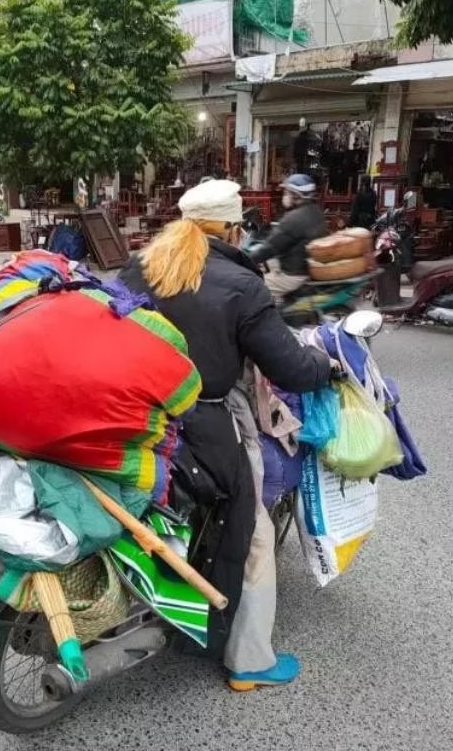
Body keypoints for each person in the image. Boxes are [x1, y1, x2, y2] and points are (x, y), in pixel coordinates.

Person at [119, 179, 333, 691]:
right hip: (205, 420)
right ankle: (249, 660)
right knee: (252, 529)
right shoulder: (241, 284)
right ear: (234, 230)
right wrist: (325, 364)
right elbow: (289, 366)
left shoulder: (139, 266)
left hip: (133, 413)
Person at [247, 173, 326, 299]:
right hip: (303, 266)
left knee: (249, 289)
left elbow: (270, 248)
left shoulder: (294, 218)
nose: (284, 195)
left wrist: (243, 260)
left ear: (295, 195)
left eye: (286, 192)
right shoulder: (316, 212)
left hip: (292, 274)